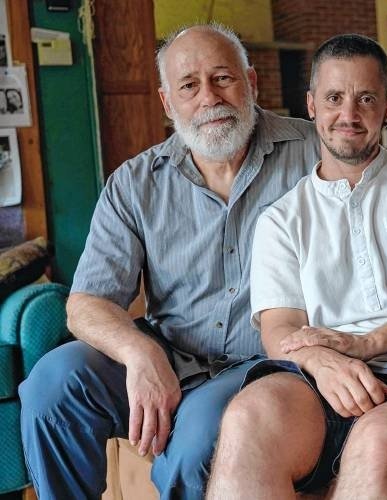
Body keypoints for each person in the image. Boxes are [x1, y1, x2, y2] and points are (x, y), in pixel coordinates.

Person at [19, 23, 319, 499]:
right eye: (189, 85)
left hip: (266, 365)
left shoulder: (316, 154)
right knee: (52, 384)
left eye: (223, 78)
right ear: (166, 102)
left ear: (251, 83)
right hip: (170, 353)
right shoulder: (136, 183)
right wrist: (140, 353)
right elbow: (86, 303)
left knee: (198, 441)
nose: (209, 97)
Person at [207, 34, 387, 499]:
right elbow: (279, 326)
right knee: (247, 415)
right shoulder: (281, 219)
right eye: (334, 98)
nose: (349, 114)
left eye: (366, 98)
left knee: (378, 437)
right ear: (311, 106)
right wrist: (321, 362)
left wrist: (365, 344)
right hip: (330, 377)